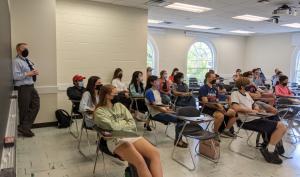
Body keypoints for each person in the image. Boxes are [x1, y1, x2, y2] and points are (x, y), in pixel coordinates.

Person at [94, 85, 163, 177]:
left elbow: (132, 123)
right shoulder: (99, 111)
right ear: (107, 95)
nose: (118, 95)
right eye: (115, 93)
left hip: (129, 135)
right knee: (139, 161)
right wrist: (124, 122)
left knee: (155, 153)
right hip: (114, 139)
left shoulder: (119, 106)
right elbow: (113, 127)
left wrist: (119, 124)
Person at [231, 77, 287, 164]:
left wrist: (257, 108)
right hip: (247, 121)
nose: (250, 86)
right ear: (242, 86)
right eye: (248, 85)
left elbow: (254, 104)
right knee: (281, 127)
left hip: (255, 117)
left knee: (276, 119)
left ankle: (270, 145)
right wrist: (251, 110)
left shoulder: (247, 94)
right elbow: (235, 107)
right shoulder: (235, 93)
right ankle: (269, 150)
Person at [145, 75, 187, 148]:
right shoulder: (149, 92)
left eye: (158, 81)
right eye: (156, 81)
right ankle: (178, 141)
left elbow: (160, 104)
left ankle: (178, 139)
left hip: (161, 111)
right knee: (180, 120)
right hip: (155, 114)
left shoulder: (157, 91)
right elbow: (154, 106)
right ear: (151, 82)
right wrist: (166, 111)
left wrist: (167, 109)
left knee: (181, 117)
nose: (158, 82)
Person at [13, 43, 40, 137]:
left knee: (36, 105)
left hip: (31, 86)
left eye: (26, 48)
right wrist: (28, 74)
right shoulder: (16, 61)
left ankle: (24, 127)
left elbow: (30, 71)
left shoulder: (27, 60)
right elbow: (15, 76)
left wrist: (34, 72)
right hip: (23, 88)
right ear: (18, 50)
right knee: (24, 109)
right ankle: (25, 129)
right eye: (23, 48)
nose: (26, 50)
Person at [199, 72, 237, 139]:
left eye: (215, 78)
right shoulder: (203, 88)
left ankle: (226, 130)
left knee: (234, 113)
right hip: (206, 108)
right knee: (220, 116)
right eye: (213, 78)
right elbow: (206, 103)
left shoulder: (215, 89)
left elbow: (216, 100)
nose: (215, 79)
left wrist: (221, 106)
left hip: (215, 107)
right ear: (208, 78)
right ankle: (215, 132)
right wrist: (218, 108)